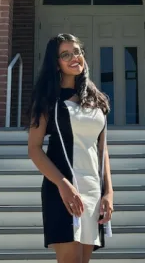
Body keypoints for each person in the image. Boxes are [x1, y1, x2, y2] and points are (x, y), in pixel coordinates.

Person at [27, 33, 114, 263]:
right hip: (62, 191)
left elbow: (102, 149)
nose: (74, 57)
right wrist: (63, 185)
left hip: (92, 190)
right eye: (65, 54)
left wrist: (108, 192)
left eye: (77, 51)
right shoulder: (47, 100)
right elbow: (34, 149)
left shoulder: (97, 99)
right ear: (56, 63)